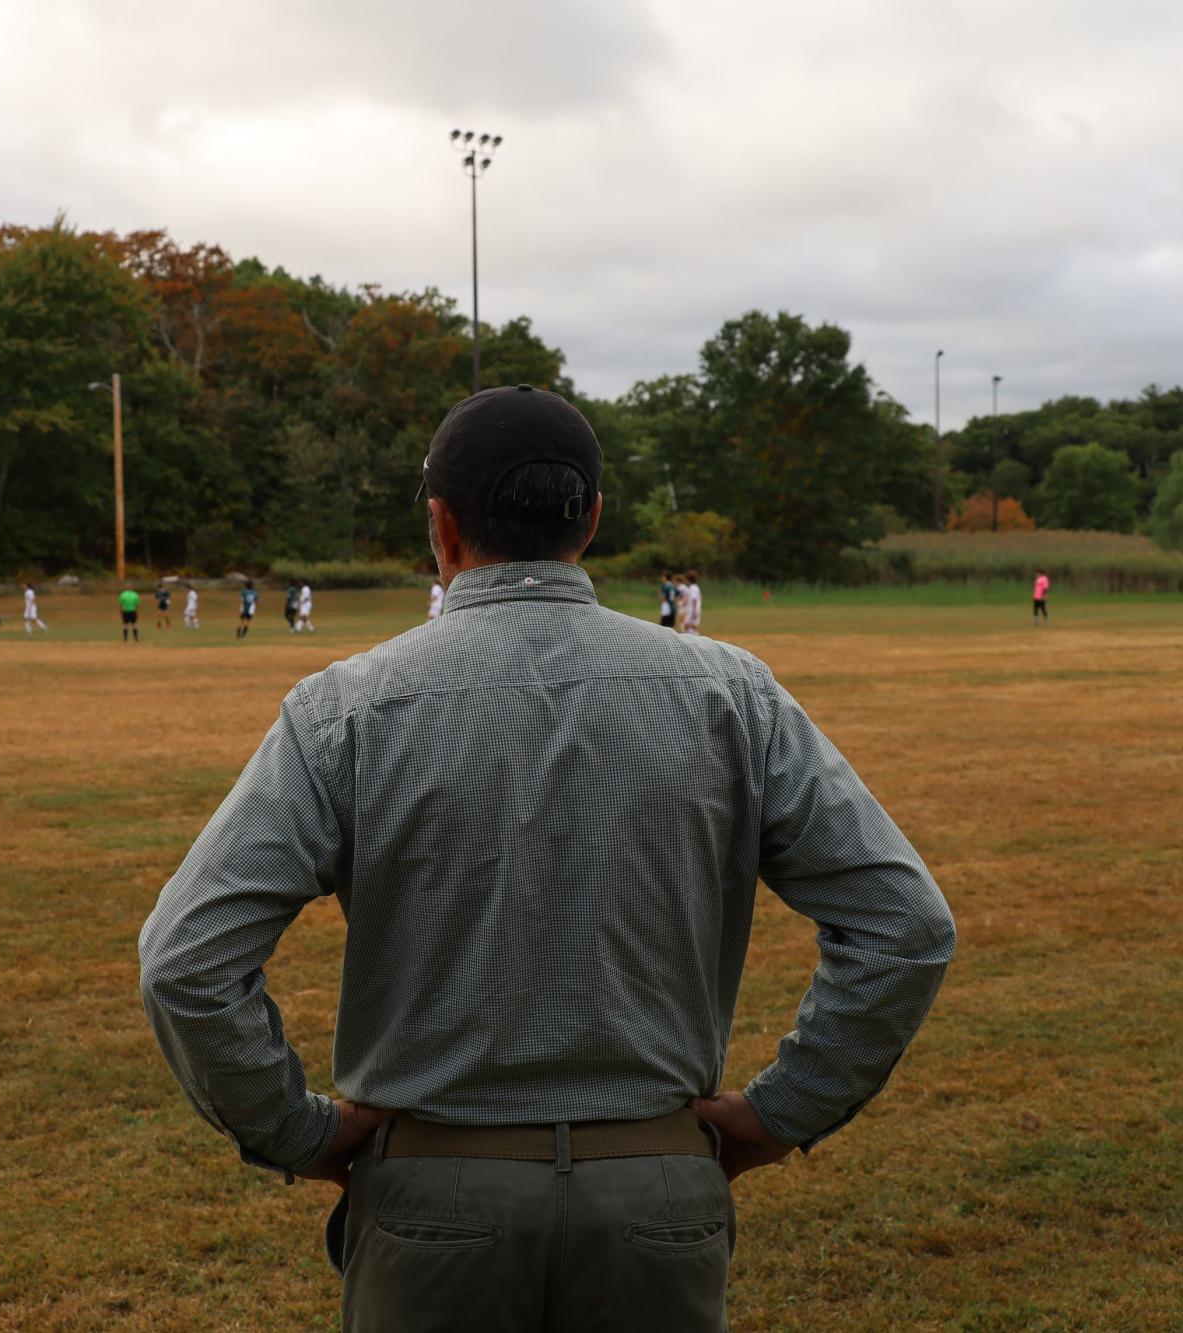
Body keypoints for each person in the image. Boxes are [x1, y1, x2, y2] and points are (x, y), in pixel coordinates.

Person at [140, 384, 954, 1330]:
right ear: (592, 520)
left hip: (429, 1202)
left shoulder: (346, 708)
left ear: (441, 529)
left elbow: (187, 961)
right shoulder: (731, 693)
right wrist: (782, 1112)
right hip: (657, 1195)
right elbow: (902, 925)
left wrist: (297, 1132)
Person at [681, 570, 703, 636]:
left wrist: (693, 612)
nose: (686, 582)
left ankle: (696, 638)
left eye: (686, 580)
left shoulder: (693, 588)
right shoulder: (695, 587)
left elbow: (694, 600)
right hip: (693, 610)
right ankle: (695, 637)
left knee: (685, 626)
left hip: (693, 610)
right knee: (691, 626)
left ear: (689, 580)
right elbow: (700, 597)